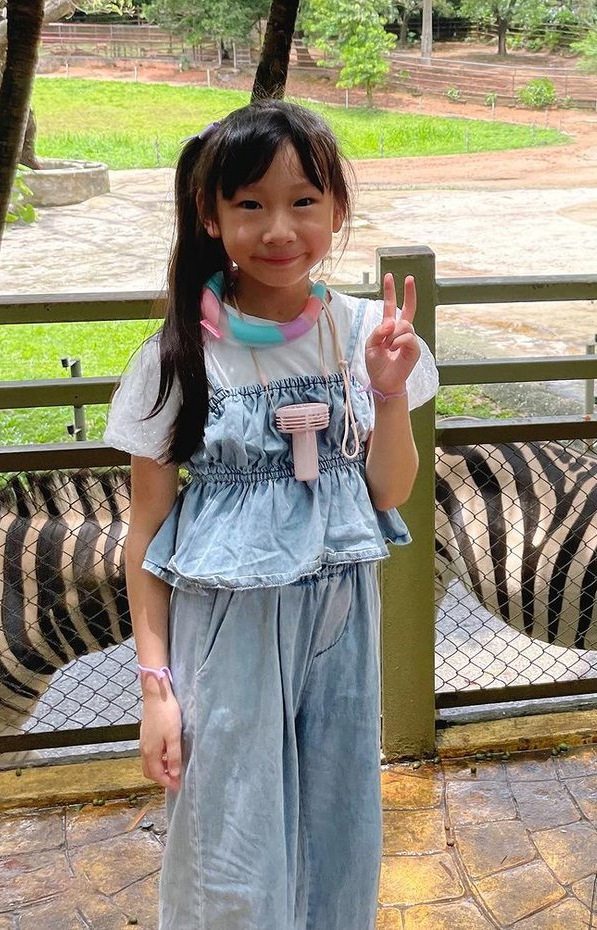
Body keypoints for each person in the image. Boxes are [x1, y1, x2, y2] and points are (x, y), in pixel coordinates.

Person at [103, 100, 438, 930]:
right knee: (232, 849)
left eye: (304, 202)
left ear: (337, 212)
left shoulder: (368, 333)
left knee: (339, 836)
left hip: (341, 624)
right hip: (227, 635)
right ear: (211, 216)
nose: (280, 228)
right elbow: (144, 534)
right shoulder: (179, 355)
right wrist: (156, 690)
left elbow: (389, 493)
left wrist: (388, 391)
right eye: (250, 204)